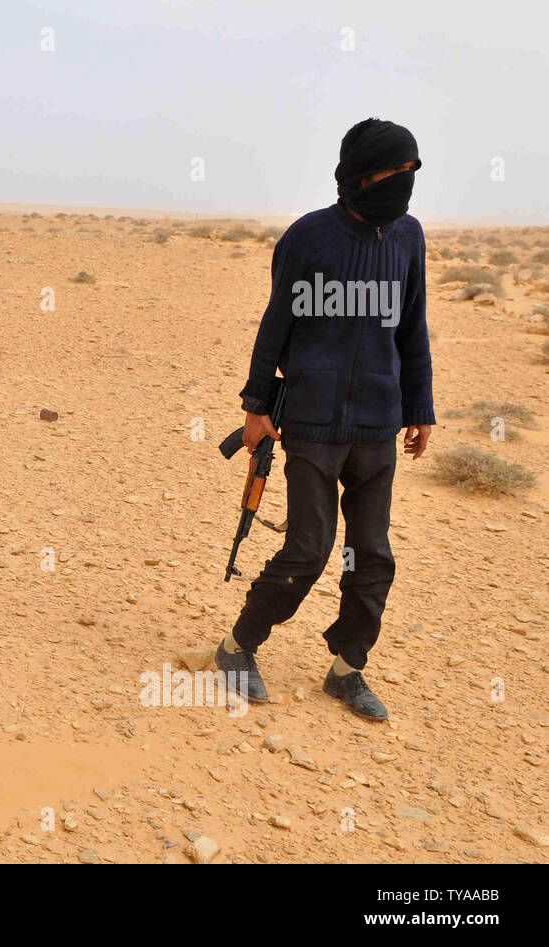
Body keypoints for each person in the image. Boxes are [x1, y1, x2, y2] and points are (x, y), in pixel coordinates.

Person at [215, 118, 435, 721]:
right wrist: (255, 407)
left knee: (372, 556)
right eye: (391, 171)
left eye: (410, 172)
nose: (402, 182)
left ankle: (347, 669)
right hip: (311, 425)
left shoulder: (409, 238)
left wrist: (420, 409)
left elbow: (411, 327)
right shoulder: (309, 238)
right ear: (358, 175)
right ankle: (238, 647)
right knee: (309, 550)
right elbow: (274, 326)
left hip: (378, 428)